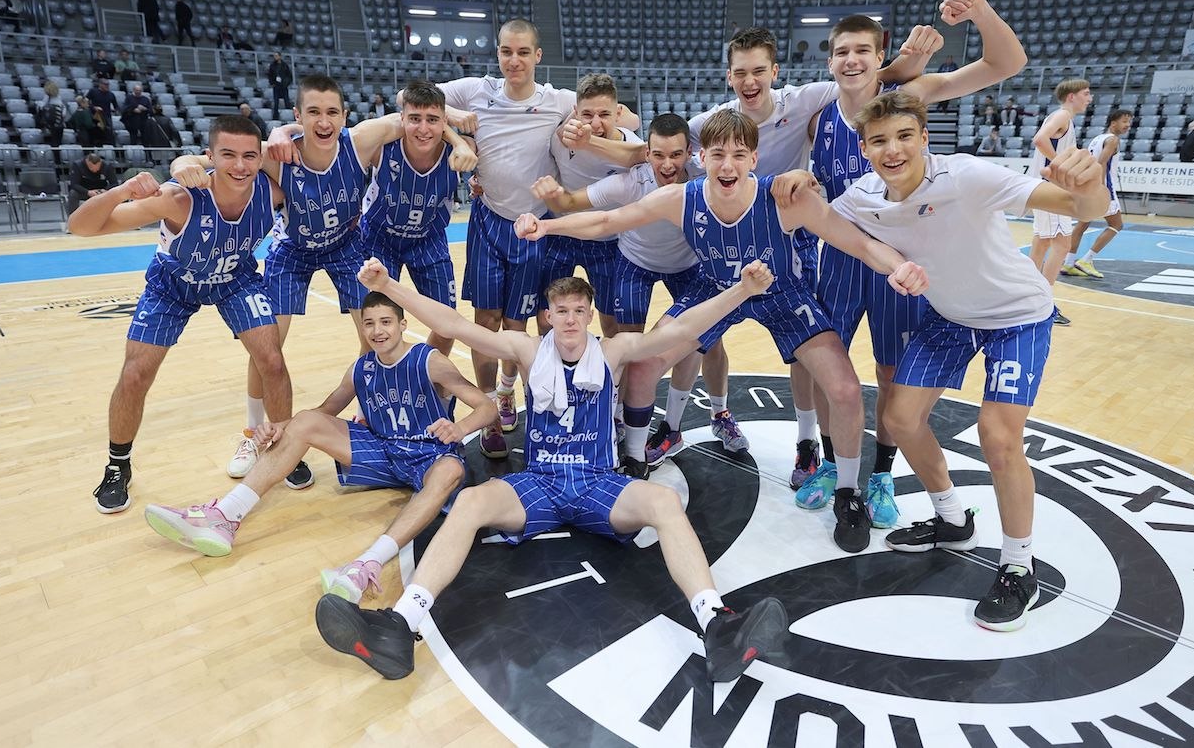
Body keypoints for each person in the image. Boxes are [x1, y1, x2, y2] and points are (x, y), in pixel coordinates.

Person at [315, 257, 797, 684]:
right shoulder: (528, 350)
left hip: (597, 481)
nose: (569, 319)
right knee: (471, 501)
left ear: (589, 316)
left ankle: (717, 625)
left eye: (578, 311)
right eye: (560, 311)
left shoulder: (612, 351)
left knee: (665, 501)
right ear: (547, 316)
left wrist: (742, 291)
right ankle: (401, 625)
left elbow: (683, 331)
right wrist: (390, 286)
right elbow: (456, 325)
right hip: (541, 482)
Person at [518, 110, 928, 553]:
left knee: (845, 389)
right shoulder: (682, 198)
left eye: (738, 154)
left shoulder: (785, 199)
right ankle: (633, 460)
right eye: (717, 155)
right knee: (644, 363)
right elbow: (606, 221)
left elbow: (858, 243)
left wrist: (899, 267)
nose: (727, 165)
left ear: (754, 158)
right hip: (715, 289)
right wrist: (547, 226)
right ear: (703, 158)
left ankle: (848, 492)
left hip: (781, 292)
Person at [815, 90, 1109, 630]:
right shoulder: (862, 195)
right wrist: (793, 185)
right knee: (901, 418)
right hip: (951, 316)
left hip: (1018, 316)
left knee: (998, 437)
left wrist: (1090, 186)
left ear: (925, 138)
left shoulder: (968, 176)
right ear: (864, 148)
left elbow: (1079, 209)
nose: (893, 149)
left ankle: (1019, 567)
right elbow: (819, 219)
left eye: (905, 136)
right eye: (879, 140)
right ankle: (952, 520)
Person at [797, 0, 1026, 523]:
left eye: (863, 50)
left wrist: (980, 13)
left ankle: (881, 474)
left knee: (891, 373)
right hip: (840, 260)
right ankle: (832, 463)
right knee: (828, 370)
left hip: (901, 263)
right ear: (830, 61)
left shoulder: (909, 96)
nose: (852, 60)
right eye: (842, 51)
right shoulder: (817, 119)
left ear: (880, 55)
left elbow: (1006, 64)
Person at [172, 75, 475, 480]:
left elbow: (417, 119)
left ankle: (369, 410)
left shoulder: (360, 140)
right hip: (292, 251)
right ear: (298, 116)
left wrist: (458, 141)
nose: (323, 120)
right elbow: (217, 160)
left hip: (346, 246)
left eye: (332, 112)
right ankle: (256, 433)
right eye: (313, 112)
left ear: (345, 116)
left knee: (373, 331)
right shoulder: (278, 153)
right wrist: (183, 164)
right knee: (267, 348)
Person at [143, 291, 496, 600]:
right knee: (306, 421)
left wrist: (460, 427)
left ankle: (366, 565)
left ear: (403, 325)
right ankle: (225, 515)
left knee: (451, 470)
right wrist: (278, 428)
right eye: (369, 323)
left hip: (429, 455)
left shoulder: (429, 361)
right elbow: (322, 413)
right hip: (384, 451)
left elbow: (487, 407)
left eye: (386, 322)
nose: (377, 331)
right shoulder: (361, 368)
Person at [431, 19, 638, 459]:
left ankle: (522, 398)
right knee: (485, 321)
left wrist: (602, 124)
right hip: (489, 219)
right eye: (507, 51)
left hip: (534, 225)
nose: (514, 60)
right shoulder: (476, 90)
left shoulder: (558, 100)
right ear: (497, 52)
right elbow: (412, 98)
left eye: (523, 52)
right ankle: (491, 410)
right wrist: (453, 127)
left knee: (519, 324)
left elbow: (625, 117)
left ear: (538, 56)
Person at [68, 115, 292, 514]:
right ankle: (118, 465)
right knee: (135, 374)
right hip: (173, 283)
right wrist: (122, 190)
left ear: (260, 159)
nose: (240, 165)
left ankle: (282, 448)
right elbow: (80, 227)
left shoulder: (271, 191)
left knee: (272, 361)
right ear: (210, 157)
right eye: (228, 155)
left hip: (234, 279)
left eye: (248, 156)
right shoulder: (178, 198)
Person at [531, 113, 731, 469]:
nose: (667, 164)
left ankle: (708, 416)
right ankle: (619, 416)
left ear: (689, 154)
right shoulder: (630, 182)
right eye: (658, 155)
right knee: (630, 346)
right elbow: (574, 205)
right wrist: (553, 201)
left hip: (687, 265)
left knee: (705, 341)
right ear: (646, 154)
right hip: (635, 262)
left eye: (676, 155)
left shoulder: (705, 180)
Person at [357, 80, 474, 357]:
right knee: (376, 327)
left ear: (444, 122)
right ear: (401, 119)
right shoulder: (381, 146)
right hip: (379, 238)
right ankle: (371, 383)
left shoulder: (464, 151)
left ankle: (422, 374)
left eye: (432, 120)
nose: (423, 129)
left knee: (446, 326)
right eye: (414, 119)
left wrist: (476, 179)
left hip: (428, 240)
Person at [540, 73, 641, 339]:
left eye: (604, 114)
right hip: (562, 234)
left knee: (611, 321)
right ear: (575, 112)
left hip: (608, 241)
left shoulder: (632, 147)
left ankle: (608, 367)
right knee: (546, 317)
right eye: (587, 114)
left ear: (618, 113)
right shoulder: (559, 140)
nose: (595, 123)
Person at [1028, 78, 1093, 326]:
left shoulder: (1062, 117)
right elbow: (1040, 139)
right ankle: (1043, 304)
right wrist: (1061, 164)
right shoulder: (1062, 116)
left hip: (1043, 187)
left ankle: (1029, 299)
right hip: (1051, 188)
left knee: (1042, 243)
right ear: (1071, 96)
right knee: (1062, 244)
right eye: (1086, 93)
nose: (1089, 98)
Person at [1063, 109, 1133, 279]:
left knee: (1082, 224)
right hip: (1102, 186)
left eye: (1129, 122)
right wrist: (1100, 189)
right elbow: (1100, 164)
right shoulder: (1113, 140)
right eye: (1124, 121)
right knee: (1116, 225)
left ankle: (1068, 263)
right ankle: (1086, 260)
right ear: (1113, 123)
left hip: (1087, 185)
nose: (1128, 125)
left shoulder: (1097, 139)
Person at [35, 80, 67, 160]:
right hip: (59, 124)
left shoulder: (47, 98)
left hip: (51, 123)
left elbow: (40, 108)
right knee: (58, 142)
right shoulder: (59, 99)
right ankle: (58, 159)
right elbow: (63, 113)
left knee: (54, 141)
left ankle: (55, 159)